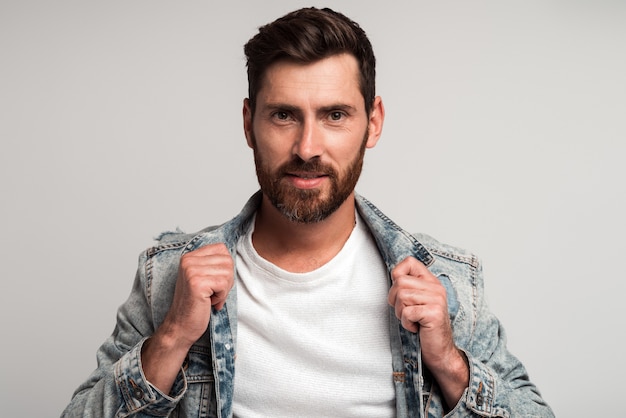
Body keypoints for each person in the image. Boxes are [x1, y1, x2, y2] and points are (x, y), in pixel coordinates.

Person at [62, 7, 554, 418]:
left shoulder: (444, 280)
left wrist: (448, 361)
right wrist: (170, 338)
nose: (307, 147)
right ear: (249, 124)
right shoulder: (171, 274)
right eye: (283, 115)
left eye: (335, 115)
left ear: (373, 122)